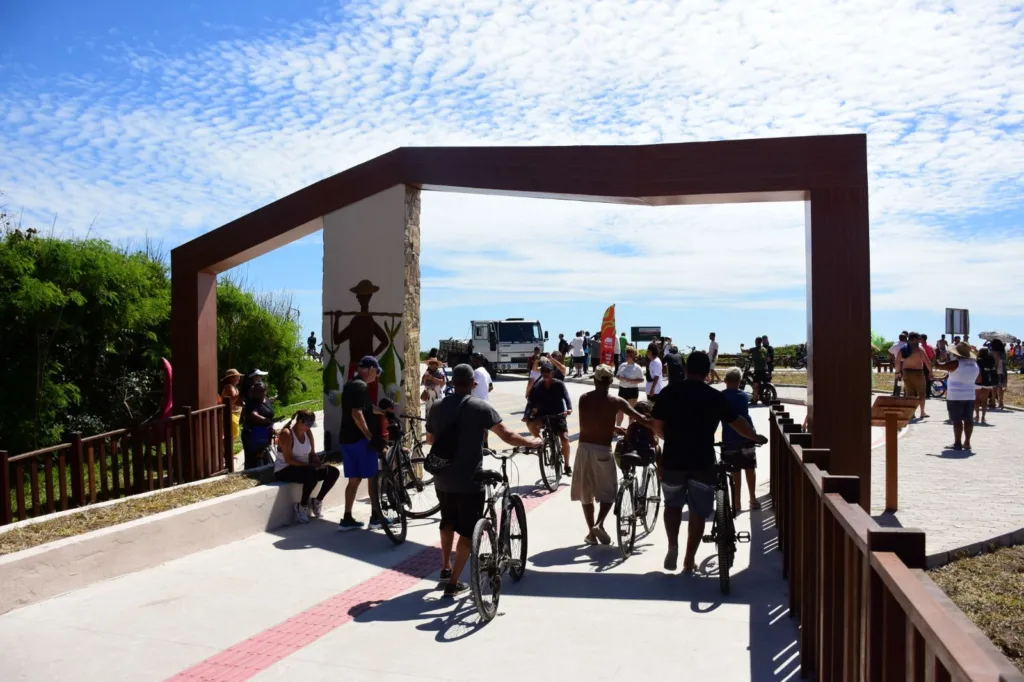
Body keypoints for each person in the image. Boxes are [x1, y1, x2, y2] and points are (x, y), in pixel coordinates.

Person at [426, 364, 542, 596]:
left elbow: (430, 440)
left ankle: (445, 568)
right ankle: (454, 583)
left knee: (447, 522)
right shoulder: (481, 407)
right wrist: (533, 442)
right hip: (470, 481)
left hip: (443, 479)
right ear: (473, 383)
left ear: (450, 382)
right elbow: (507, 436)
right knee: (469, 532)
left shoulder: (437, 407)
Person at [652, 351, 766, 573]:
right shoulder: (714, 396)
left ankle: (672, 545)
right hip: (702, 461)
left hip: (674, 459)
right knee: (698, 510)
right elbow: (736, 421)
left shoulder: (669, 392)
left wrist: (670, 439)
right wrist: (754, 437)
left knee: (672, 504)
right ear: (707, 373)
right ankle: (688, 560)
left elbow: (656, 424)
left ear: (686, 369)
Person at [574, 365, 649, 545]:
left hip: (583, 449)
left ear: (595, 380)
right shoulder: (616, 401)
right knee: (609, 492)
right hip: (602, 450)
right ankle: (599, 524)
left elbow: (590, 421)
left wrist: (612, 427)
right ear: (610, 381)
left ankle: (591, 533)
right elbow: (642, 419)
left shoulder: (584, 399)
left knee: (586, 494)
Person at [337, 356, 387, 531]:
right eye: (377, 372)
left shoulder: (352, 384)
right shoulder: (361, 386)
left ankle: (347, 518)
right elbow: (357, 413)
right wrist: (370, 436)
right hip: (360, 441)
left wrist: (382, 412)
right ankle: (375, 517)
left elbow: (365, 406)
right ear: (371, 369)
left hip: (346, 440)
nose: (377, 377)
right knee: (373, 478)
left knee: (354, 479)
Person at [274, 410, 340, 523]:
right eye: (307, 424)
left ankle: (317, 501)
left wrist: (317, 462)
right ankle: (302, 506)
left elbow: (312, 454)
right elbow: (289, 459)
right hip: (285, 469)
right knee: (311, 472)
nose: (308, 427)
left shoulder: (308, 433)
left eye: (310, 425)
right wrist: (309, 465)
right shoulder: (287, 433)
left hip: (305, 468)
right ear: (299, 421)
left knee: (333, 472)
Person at [721, 368, 760, 511]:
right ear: (739, 381)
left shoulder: (721, 397)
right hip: (747, 437)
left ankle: (737, 502)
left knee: (735, 471)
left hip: (729, 439)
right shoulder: (744, 396)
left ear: (725, 381)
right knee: (750, 468)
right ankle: (753, 498)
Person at [526, 360, 574, 475]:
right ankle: (541, 442)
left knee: (565, 438)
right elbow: (530, 401)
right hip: (544, 414)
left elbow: (566, 397)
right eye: (543, 372)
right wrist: (527, 414)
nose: (545, 374)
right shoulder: (538, 386)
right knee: (530, 424)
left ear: (552, 372)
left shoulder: (559, 384)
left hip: (558, 414)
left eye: (548, 372)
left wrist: (569, 408)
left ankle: (567, 465)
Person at [933, 343, 979, 450]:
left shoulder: (955, 363)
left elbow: (938, 365)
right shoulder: (975, 364)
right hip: (970, 395)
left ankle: (957, 443)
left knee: (957, 421)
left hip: (955, 396)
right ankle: (967, 442)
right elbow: (979, 378)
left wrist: (936, 355)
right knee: (969, 420)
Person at [894, 332, 931, 420]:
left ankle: (911, 413)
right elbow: (927, 361)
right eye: (918, 339)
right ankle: (922, 412)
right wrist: (931, 372)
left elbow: (897, 361)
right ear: (914, 339)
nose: (919, 340)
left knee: (910, 394)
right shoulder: (919, 349)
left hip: (906, 372)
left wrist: (897, 372)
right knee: (921, 393)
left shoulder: (903, 349)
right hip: (918, 373)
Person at [241, 381, 275, 469]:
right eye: (257, 391)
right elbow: (254, 415)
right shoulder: (251, 402)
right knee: (255, 458)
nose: (259, 393)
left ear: (265, 391)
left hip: (265, 432)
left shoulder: (266, 400)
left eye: (262, 391)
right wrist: (266, 420)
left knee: (265, 454)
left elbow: (270, 414)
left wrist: (271, 425)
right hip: (254, 434)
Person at [615, 346, 645, 426]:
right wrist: (620, 378)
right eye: (626, 355)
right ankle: (618, 428)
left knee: (631, 412)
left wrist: (631, 380)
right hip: (622, 390)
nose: (626, 357)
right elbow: (617, 375)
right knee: (619, 411)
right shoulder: (622, 365)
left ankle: (630, 431)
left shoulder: (637, 367)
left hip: (632, 390)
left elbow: (641, 379)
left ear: (633, 356)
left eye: (628, 355)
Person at [975, 348, 997, 424]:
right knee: (985, 401)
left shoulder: (978, 360)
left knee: (977, 400)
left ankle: (977, 416)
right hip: (988, 382)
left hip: (978, 381)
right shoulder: (991, 360)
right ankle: (983, 417)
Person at [220, 369, 242, 440]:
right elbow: (234, 399)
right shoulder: (229, 387)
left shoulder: (234, 387)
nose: (239, 378)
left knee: (234, 435)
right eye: (237, 377)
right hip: (231, 414)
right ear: (232, 378)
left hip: (235, 414)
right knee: (232, 435)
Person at [748, 337, 768, 406]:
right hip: (765, 370)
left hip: (758, 370)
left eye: (756, 341)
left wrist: (741, 347)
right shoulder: (765, 349)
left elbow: (744, 351)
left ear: (756, 342)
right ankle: (763, 397)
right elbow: (768, 359)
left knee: (755, 386)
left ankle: (754, 400)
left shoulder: (753, 349)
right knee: (764, 384)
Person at [990, 340, 1008, 410]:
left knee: (994, 387)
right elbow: (1005, 361)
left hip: (995, 370)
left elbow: (994, 362)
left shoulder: (993, 352)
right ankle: (1001, 402)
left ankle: (993, 402)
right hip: (1003, 370)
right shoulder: (1003, 352)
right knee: (1000, 387)